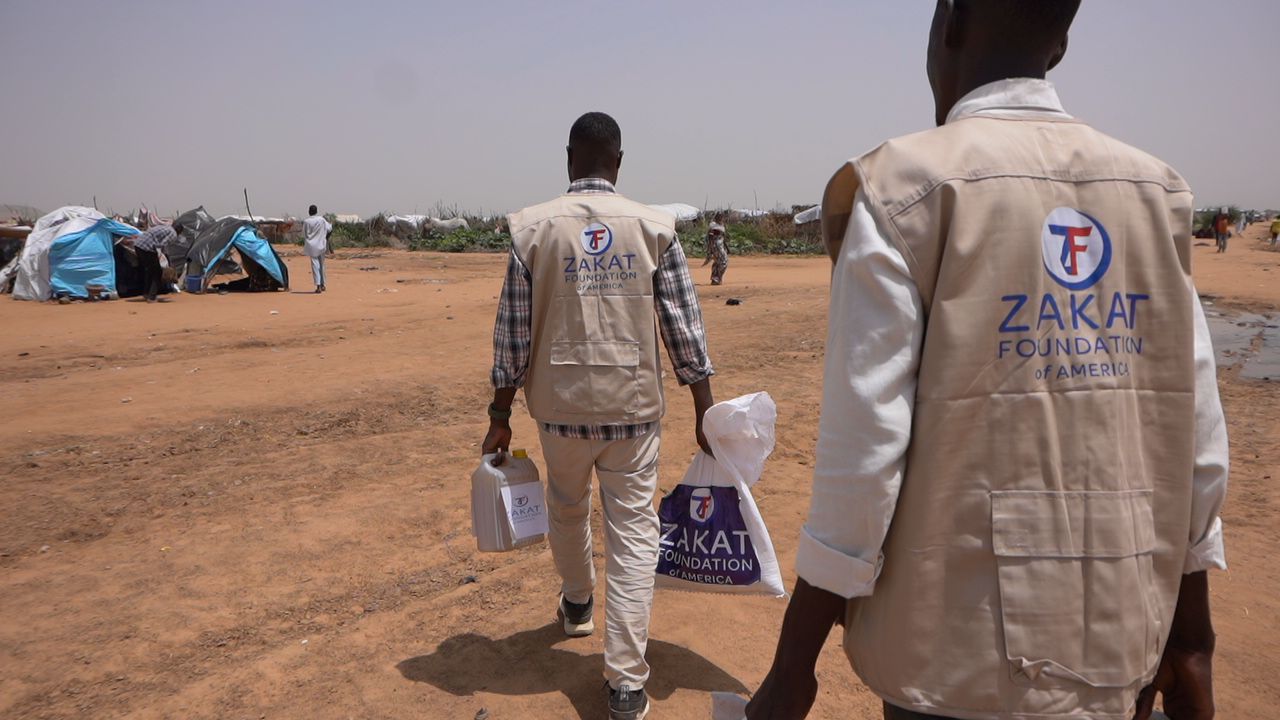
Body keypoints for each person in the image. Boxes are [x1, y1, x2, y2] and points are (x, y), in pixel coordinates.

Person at [746, 2, 1228, 719]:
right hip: (1121, 642)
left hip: (954, 661)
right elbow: (1194, 434)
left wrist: (793, 668)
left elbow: (864, 459)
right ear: (1060, 45)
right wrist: (1192, 639)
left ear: (951, 22)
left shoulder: (902, 189)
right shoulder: (1156, 194)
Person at [483, 111, 716, 720]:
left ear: (569, 159)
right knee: (634, 535)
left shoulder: (533, 229)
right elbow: (684, 327)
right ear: (618, 161)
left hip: (558, 413)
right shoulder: (654, 227)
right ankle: (626, 684)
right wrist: (704, 407)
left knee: (566, 507)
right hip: (632, 413)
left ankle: (579, 605)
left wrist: (500, 412)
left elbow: (512, 334)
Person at [127, 222, 179, 302]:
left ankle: (146, 293)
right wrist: (163, 258)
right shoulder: (173, 233)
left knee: (150, 271)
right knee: (157, 273)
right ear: (179, 231)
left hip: (138, 245)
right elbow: (162, 244)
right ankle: (151, 297)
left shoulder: (165, 227)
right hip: (147, 248)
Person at [302, 205, 333, 292]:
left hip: (312, 246)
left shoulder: (306, 221)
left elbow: (304, 234)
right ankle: (323, 284)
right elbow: (329, 228)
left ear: (309, 211)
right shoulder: (321, 220)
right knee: (322, 265)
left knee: (315, 265)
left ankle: (318, 285)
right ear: (316, 211)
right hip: (321, 245)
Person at [702, 212, 729, 285]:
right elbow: (710, 237)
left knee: (718, 262)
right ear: (716, 217)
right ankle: (717, 278)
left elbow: (723, 237)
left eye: (722, 217)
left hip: (720, 246)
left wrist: (727, 247)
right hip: (716, 246)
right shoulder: (713, 225)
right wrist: (710, 248)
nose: (721, 218)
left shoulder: (722, 225)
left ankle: (715, 279)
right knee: (724, 261)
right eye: (719, 217)